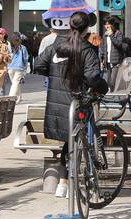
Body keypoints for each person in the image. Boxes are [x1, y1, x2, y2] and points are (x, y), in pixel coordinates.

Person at [34, 11, 106, 198]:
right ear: (87, 28)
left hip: (57, 104)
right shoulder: (86, 48)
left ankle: (63, 184)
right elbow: (92, 76)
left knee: (70, 141)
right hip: (77, 101)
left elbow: (39, 65)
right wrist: (103, 88)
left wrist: (57, 76)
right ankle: (75, 184)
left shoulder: (57, 45)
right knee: (81, 138)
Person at [6, 32, 29, 97]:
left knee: (14, 83)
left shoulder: (9, 47)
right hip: (19, 67)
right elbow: (25, 59)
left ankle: (14, 97)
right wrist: (25, 67)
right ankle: (13, 98)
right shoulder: (23, 48)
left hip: (10, 67)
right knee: (15, 83)